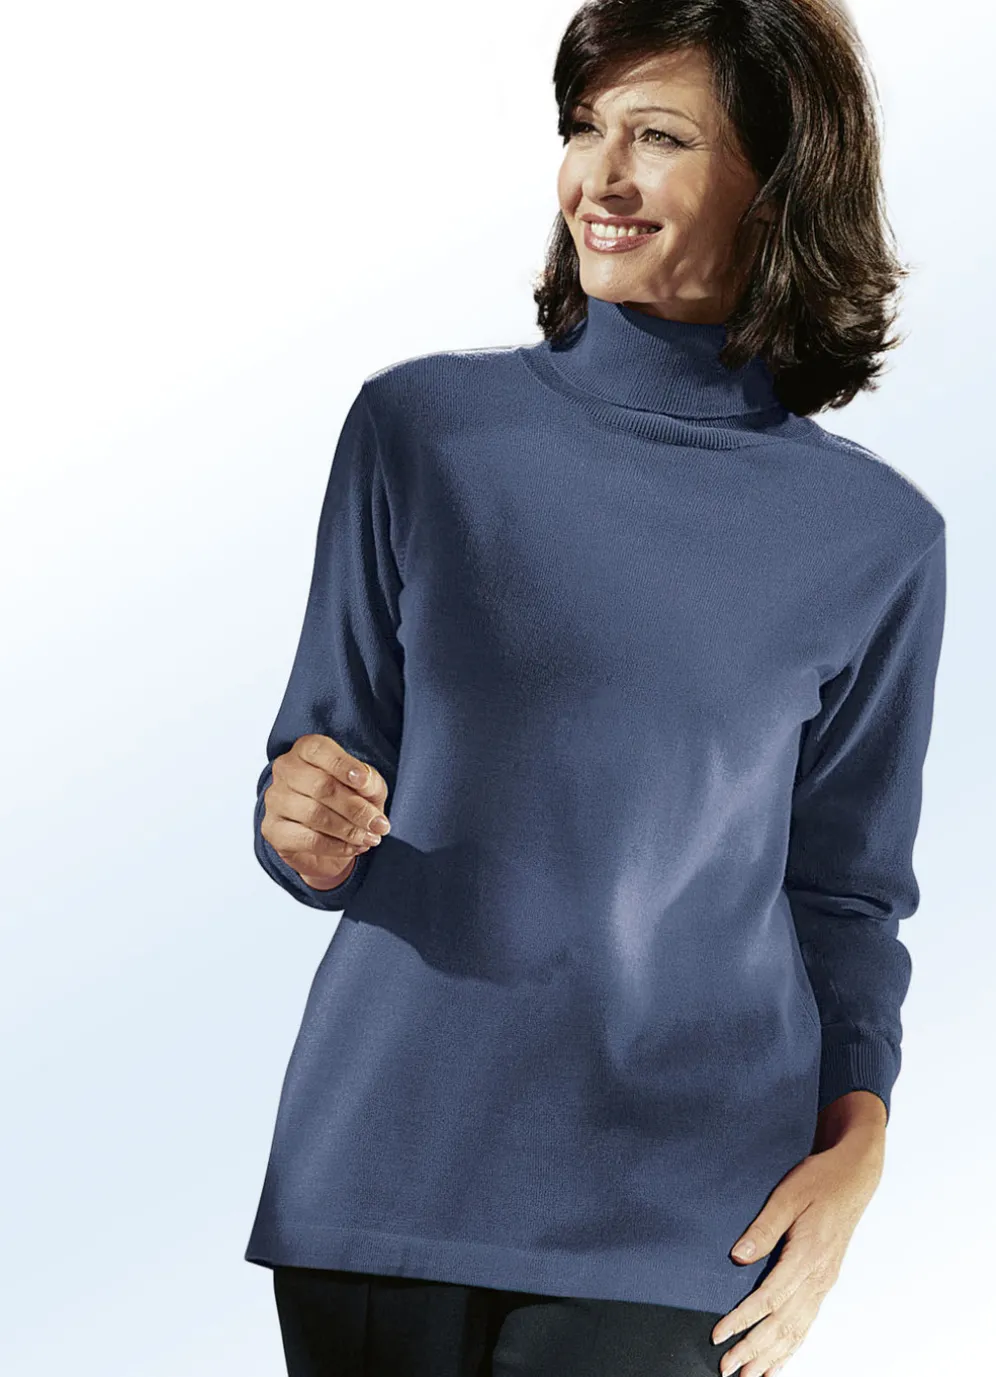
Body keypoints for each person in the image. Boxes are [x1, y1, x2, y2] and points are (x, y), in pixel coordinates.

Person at [243, 2, 947, 1374]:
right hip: (383, 1170)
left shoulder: (877, 540)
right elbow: (318, 766)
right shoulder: (419, 432)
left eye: (660, 137)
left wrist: (858, 1150)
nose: (600, 179)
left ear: (780, 181)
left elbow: (849, 897)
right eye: (584, 129)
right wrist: (297, 820)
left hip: (686, 1204)